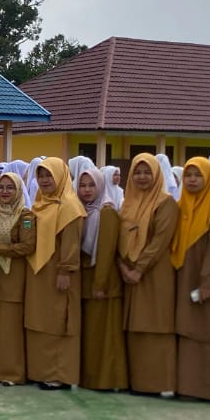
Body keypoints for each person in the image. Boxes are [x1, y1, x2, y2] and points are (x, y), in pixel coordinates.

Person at [118, 153, 179, 396]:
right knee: (135, 328)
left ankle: (158, 383)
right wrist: (124, 267)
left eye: (147, 172)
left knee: (155, 326)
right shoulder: (128, 203)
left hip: (154, 274)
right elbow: (119, 238)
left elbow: (159, 241)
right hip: (129, 273)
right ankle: (139, 382)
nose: (142, 177)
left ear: (157, 175)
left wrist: (139, 269)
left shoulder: (166, 203)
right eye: (137, 172)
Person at [24, 157, 85, 389]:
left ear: (60, 176)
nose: (44, 180)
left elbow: (71, 241)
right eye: (40, 175)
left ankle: (59, 375)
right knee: (41, 321)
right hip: (39, 273)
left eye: (49, 175)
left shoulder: (70, 205)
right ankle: (42, 371)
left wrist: (65, 270)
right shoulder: (40, 202)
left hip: (58, 273)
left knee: (59, 321)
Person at [170, 157, 210, 402]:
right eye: (188, 175)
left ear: (208, 178)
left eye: (197, 175)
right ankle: (184, 386)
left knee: (204, 330)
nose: (192, 180)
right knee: (184, 328)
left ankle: (204, 388)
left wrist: (207, 282)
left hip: (202, 278)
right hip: (181, 275)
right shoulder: (179, 206)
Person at [0, 171, 36, 386]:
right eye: (1, 187)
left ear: (19, 190)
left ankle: (13, 373)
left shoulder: (26, 216)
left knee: (9, 326)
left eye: (10, 187)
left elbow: (28, 246)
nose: (4, 192)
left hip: (13, 277)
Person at [77, 166, 126, 391]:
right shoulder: (84, 210)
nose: (87, 190)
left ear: (100, 186)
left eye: (91, 185)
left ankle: (107, 380)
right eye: (82, 185)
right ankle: (91, 378)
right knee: (92, 335)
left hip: (103, 283)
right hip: (87, 280)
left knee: (105, 336)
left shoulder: (106, 211)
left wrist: (99, 284)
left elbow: (106, 252)